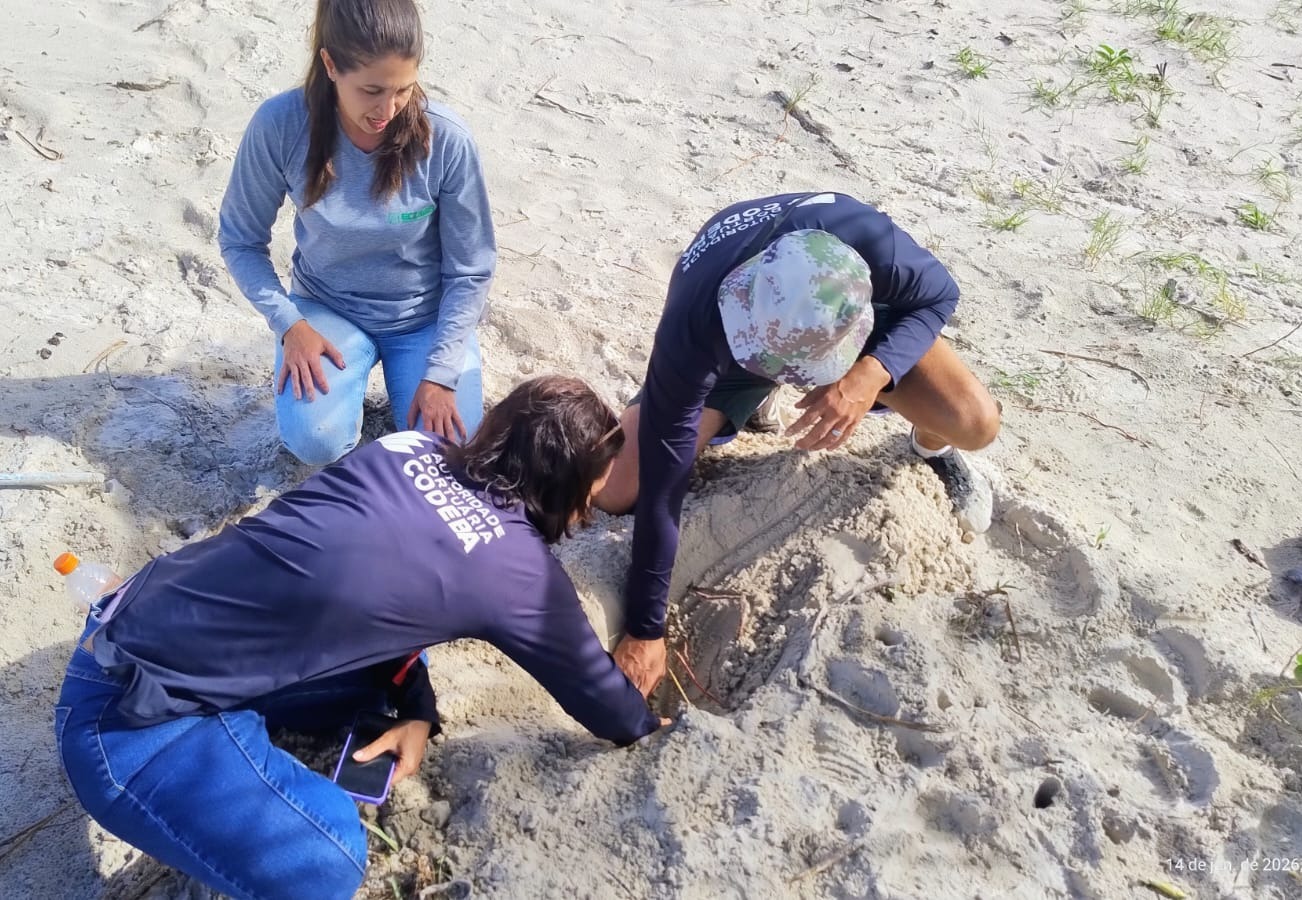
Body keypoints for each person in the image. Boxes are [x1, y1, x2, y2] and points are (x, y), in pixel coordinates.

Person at [53, 376, 661, 900]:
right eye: (589, 492)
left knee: (364, 642)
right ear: (563, 486)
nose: (589, 511)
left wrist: (418, 709)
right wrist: (650, 720)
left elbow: (374, 594)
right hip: (131, 720)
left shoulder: (410, 446)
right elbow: (606, 705)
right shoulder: (521, 575)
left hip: (129, 608)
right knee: (328, 862)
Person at [596, 192, 1001, 697]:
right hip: (739, 326)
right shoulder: (698, 318)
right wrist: (644, 628)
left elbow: (940, 296)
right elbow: (663, 480)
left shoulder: (870, 241)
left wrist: (869, 374)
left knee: (975, 420)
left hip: (840, 317)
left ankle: (931, 448)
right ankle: (743, 400)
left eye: (793, 373)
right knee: (616, 487)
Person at [219, 0, 496, 465]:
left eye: (404, 89)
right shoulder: (281, 125)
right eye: (371, 90)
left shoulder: (447, 140)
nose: (387, 109)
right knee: (316, 442)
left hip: (422, 314)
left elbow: (472, 270)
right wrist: (290, 325)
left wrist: (442, 373)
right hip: (327, 309)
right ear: (330, 65)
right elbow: (240, 240)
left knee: (450, 452)